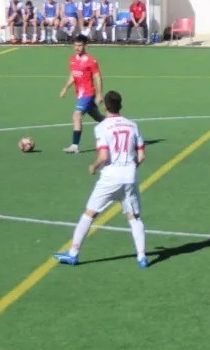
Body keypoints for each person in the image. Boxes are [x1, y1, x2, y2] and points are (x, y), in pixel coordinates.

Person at [54, 90, 148, 268]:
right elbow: (141, 156)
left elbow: (104, 156)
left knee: (89, 213)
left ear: (105, 106)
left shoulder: (102, 127)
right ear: (120, 105)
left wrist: (93, 166)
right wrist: (129, 168)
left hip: (110, 178)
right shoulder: (132, 125)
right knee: (134, 217)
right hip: (130, 177)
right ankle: (142, 257)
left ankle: (73, 253)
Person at [60, 34, 105, 154]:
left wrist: (100, 93)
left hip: (88, 93)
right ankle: (117, 125)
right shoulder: (73, 59)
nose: (77, 48)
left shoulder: (91, 60)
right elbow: (73, 75)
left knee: (77, 115)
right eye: (75, 45)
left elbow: (97, 77)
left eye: (80, 45)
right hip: (80, 94)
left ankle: (75, 146)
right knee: (98, 117)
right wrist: (65, 88)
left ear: (85, 45)